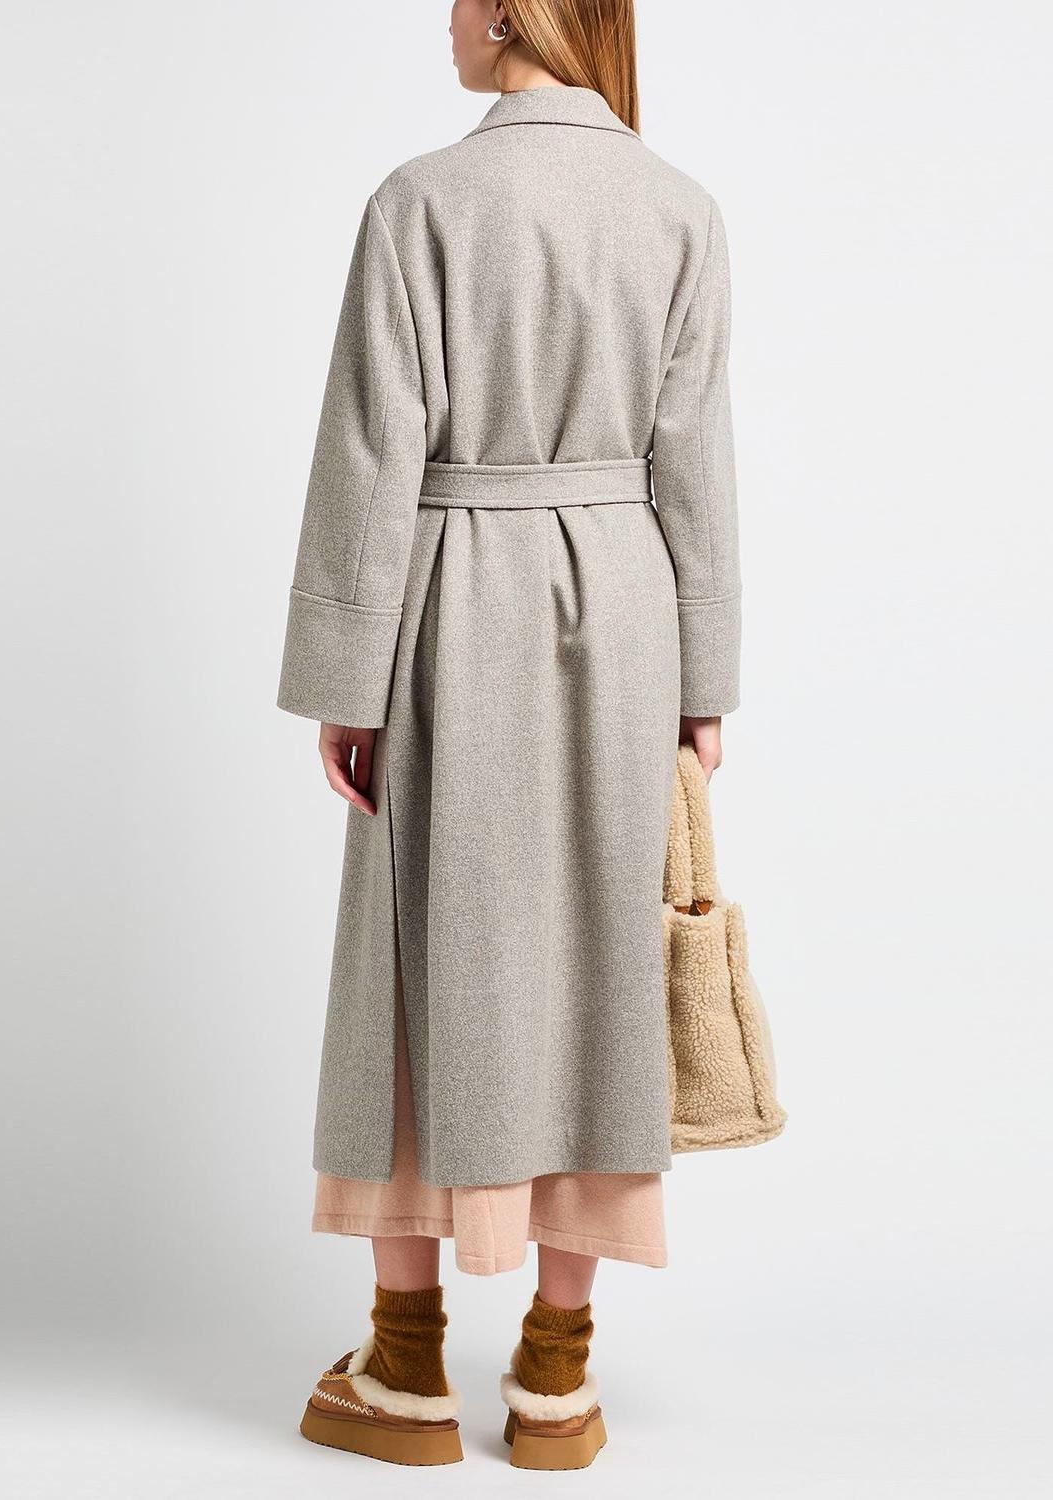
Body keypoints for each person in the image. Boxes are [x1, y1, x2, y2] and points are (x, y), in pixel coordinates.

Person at [279, 0, 740, 1471]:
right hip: (626, 606)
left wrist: (346, 679)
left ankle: (406, 1367)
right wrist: (702, 681)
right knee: (598, 965)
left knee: (420, 953)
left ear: (502, 11)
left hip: (449, 602)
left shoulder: (419, 201)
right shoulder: (676, 206)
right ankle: (555, 1382)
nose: (443, 21)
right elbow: (694, 460)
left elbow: (370, 452)